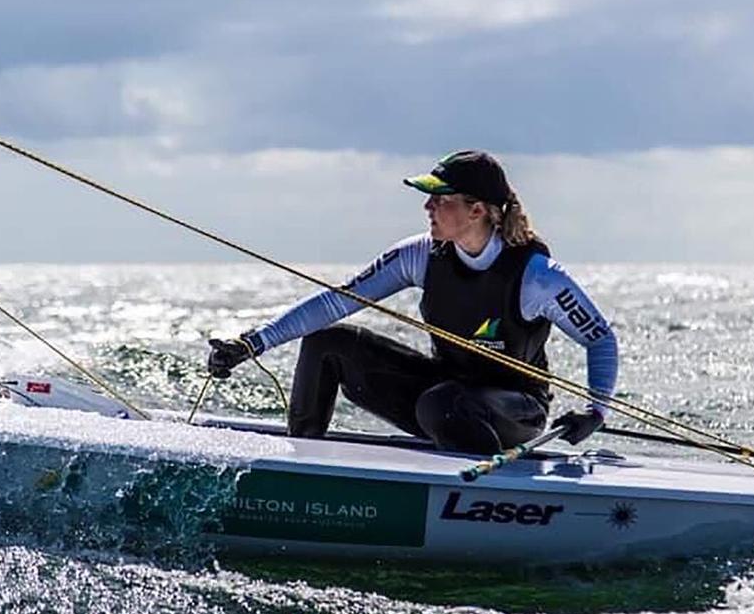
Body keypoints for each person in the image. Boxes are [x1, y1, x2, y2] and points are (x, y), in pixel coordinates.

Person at [207, 150, 618, 454]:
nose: (428, 207)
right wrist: (251, 343)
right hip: (442, 397)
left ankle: (477, 501)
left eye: (441, 200)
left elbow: (600, 339)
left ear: (476, 210)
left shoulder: (536, 275)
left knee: (443, 403)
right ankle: (301, 461)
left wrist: (595, 412)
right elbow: (337, 302)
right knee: (327, 343)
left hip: (514, 412)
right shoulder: (419, 255)